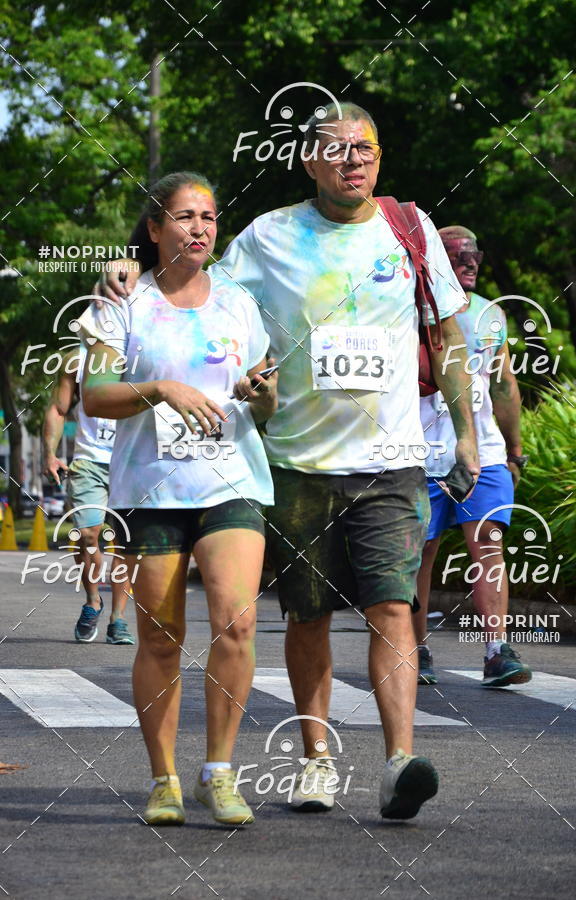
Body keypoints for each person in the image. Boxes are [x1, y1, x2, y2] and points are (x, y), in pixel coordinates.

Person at [102, 105, 480, 821]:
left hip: (393, 458)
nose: (352, 160)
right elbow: (194, 278)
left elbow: (448, 333)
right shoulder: (268, 237)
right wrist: (131, 269)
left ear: (379, 155)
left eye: (363, 148)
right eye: (335, 151)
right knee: (306, 618)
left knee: (393, 608)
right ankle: (316, 761)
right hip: (298, 462)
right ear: (309, 162)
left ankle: (399, 760)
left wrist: (465, 434)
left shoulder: (411, 229)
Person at [79, 172, 278, 828]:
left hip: (231, 481)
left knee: (238, 621)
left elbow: (269, 398)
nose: (200, 227)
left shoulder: (239, 305)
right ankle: (163, 778)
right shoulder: (120, 301)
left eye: (210, 217)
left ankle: (218, 772)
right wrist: (160, 388)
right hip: (152, 490)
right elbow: (94, 396)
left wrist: (261, 392)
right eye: (186, 216)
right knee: (161, 638)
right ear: (157, 226)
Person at [415, 225, 532, 687]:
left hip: (482, 452)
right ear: (433, 261)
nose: (469, 263)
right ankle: (415, 650)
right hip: (420, 452)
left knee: (488, 545)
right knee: (420, 551)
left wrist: (516, 450)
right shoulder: (408, 312)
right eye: (457, 255)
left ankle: (497, 651)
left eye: (474, 255)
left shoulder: (490, 316)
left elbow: (504, 385)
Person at [42, 348, 135, 644]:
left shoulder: (146, 349)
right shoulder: (76, 358)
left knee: (125, 540)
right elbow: (59, 408)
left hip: (134, 460)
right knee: (88, 535)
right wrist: (50, 454)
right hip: (89, 460)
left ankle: (118, 618)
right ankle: (93, 600)